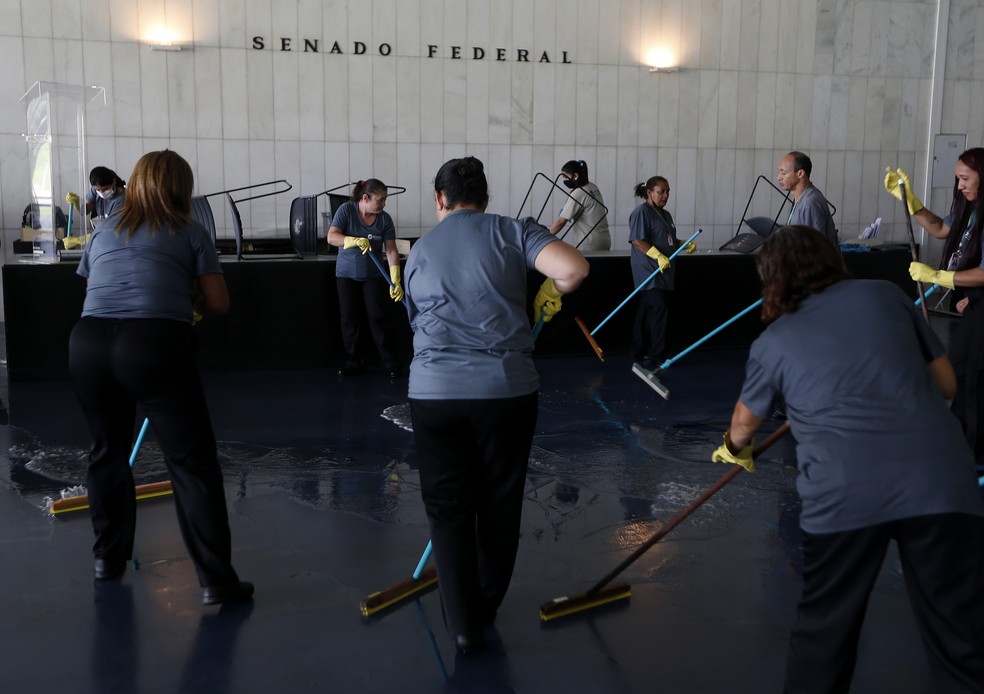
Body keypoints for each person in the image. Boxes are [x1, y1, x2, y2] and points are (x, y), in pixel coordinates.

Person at [712, 225, 984, 692]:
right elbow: (946, 386)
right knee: (962, 639)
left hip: (845, 493)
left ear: (772, 276)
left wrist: (735, 450)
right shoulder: (886, 295)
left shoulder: (773, 342)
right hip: (940, 480)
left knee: (825, 634)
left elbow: (742, 427)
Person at [404, 156, 589, 653]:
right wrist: (550, 290)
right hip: (505, 390)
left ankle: (462, 626)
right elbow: (574, 268)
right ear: (485, 198)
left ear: (439, 199)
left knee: (448, 511)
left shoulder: (421, 248)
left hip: (434, 393)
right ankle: (485, 606)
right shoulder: (514, 231)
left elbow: (415, 321)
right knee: (499, 502)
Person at [69, 150, 252, 605]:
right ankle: (216, 581)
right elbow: (219, 302)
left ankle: (106, 559)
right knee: (191, 465)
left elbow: (95, 289)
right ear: (182, 188)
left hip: (88, 341)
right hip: (152, 341)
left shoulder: (105, 228)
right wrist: (184, 294)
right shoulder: (190, 230)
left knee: (106, 453)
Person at [890, 148, 984, 467]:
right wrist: (910, 201)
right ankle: (957, 440)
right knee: (956, 370)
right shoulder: (970, 208)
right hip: (976, 304)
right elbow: (943, 229)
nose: (959, 186)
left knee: (976, 379)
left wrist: (940, 277)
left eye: (964, 179)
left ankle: (976, 452)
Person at [327, 179, 406, 379]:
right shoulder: (346, 211)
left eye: (385, 200)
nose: (383, 204)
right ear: (365, 198)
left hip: (374, 275)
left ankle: (392, 363)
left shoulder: (384, 219)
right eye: (380, 200)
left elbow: (390, 249)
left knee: (378, 317)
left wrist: (395, 277)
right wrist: (350, 240)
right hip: (346, 275)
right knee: (350, 319)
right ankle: (355, 360)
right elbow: (331, 237)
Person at [628, 175, 695, 369]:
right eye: (661, 191)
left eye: (667, 192)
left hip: (665, 273)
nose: (665, 195)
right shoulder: (641, 212)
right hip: (648, 272)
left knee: (646, 312)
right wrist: (657, 255)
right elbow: (637, 240)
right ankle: (656, 355)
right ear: (649, 193)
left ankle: (637, 351)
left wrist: (683, 244)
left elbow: (668, 240)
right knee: (660, 310)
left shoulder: (665, 215)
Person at [548, 159, 611, 251]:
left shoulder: (578, 193)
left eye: (566, 177)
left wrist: (544, 236)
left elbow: (561, 221)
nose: (564, 180)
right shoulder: (592, 187)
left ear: (575, 176)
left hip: (591, 243)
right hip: (605, 239)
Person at [776, 151, 838, 246]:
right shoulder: (801, 198)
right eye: (779, 172)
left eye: (783, 173)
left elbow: (812, 250)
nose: (778, 177)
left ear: (800, 173)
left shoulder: (809, 203)